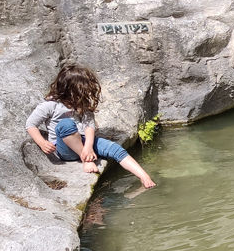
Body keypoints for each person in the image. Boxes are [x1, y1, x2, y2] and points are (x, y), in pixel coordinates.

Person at [25, 64, 156, 189]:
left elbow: (89, 126)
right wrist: (41, 142)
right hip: (64, 149)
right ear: (70, 90)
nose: (86, 95)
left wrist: (88, 147)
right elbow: (31, 124)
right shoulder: (51, 105)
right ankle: (86, 160)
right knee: (66, 124)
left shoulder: (82, 104)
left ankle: (144, 176)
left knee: (115, 148)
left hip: (84, 142)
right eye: (83, 91)